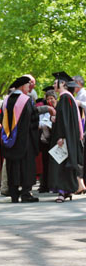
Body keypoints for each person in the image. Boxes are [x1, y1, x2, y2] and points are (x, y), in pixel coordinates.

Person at [2, 76, 55, 203]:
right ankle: (26, 194)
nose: (28, 89)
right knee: (25, 166)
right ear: (22, 86)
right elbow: (33, 116)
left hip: (10, 140)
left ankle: (14, 194)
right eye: (27, 86)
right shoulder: (26, 100)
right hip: (25, 142)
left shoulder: (6, 100)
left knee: (13, 166)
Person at [49, 72, 84, 202]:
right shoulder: (69, 98)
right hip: (67, 137)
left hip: (63, 138)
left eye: (55, 82)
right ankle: (67, 190)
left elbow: (65, 121)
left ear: (63, 83)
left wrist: (62, 137)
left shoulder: (64, 98)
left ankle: (62, 192)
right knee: (65, 164)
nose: (53, 85)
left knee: (61, 164)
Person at [38, 90, 57, 193]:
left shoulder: (58, 109)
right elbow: (40, 122)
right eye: (48, 98)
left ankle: (53, 185)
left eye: (52, 98)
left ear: (55, 99)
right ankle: (44, 184)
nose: (50, 100)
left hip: (55, 140)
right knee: (45, 163)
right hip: (45, 141)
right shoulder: (45, 110)